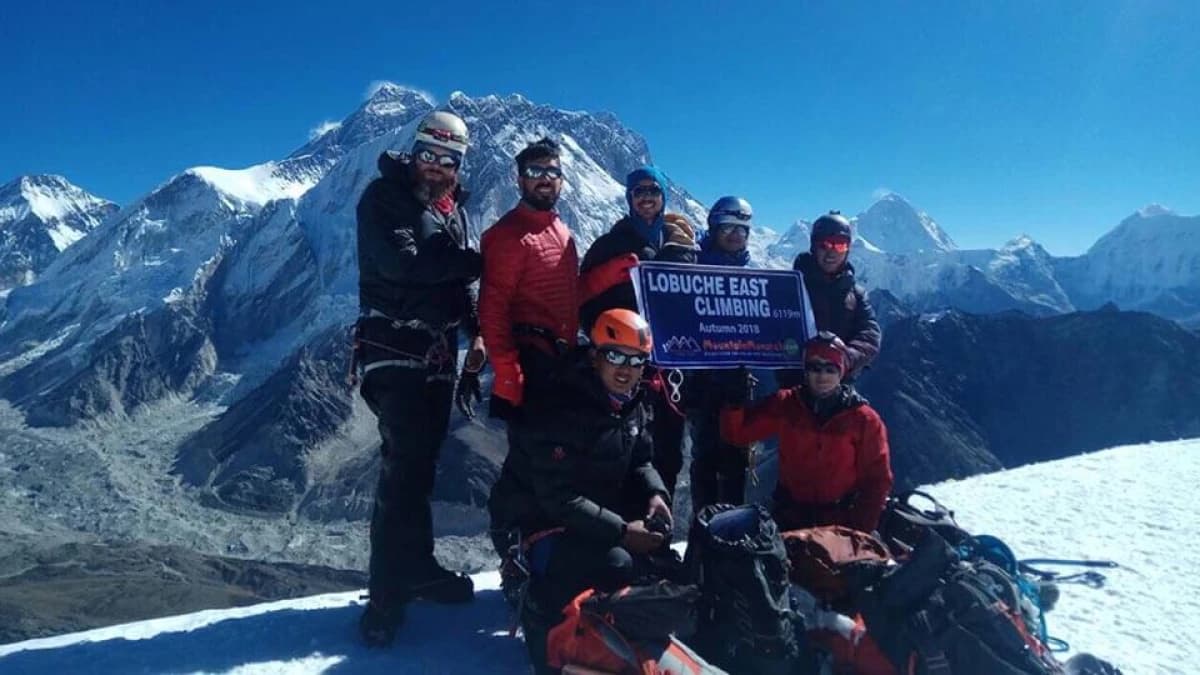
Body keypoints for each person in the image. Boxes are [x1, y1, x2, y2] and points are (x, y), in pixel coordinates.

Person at [353, 110, 485, 647]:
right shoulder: (383, 199)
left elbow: (458, 286)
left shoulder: (453, 212)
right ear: (415, 152)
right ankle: (385, 597)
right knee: (403, 468)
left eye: (447, 159)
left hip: (436, 355)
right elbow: (404, 265)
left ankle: (418, 568)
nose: (436, 166)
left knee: (421, 468)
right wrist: (481, 262)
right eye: (429, 154)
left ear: (458, 164)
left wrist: (477, 332)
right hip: (392, 347)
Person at [487, 309, 672, 672]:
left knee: (658, 567)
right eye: (615, 355)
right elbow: (556, 498)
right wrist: (622, 532)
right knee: (616, 564)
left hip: (586, 516)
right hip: (534, 522)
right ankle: (541, 612)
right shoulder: (559, 407)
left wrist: (656, 495)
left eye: (636, 360)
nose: (626, 369)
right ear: (594, 355)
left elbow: (641, 461)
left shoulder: (629, 405)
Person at [578, 166, 698, 497]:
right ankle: (621, 521)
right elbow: (581, 300)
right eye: (639, 191)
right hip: (622, 366)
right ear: (629, 197)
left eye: (653, 191)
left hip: (670, 371)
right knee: (623, 448)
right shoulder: (608, 246)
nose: (647, 198)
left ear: (664, 196)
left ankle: (660, 517)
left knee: (668, 451)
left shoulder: (682, 249)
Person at [720, 333, 893, 533]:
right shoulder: (786, 405)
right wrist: (734, 403)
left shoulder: (864, 420)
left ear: (842, 372)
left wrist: (860, 531)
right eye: (815, 368)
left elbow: (877, 480)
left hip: (839, 525)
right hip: (789, 518)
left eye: (830, 369)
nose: (822, 376)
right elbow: (738, 434)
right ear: (806, 370)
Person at [475, 137, 578, 424]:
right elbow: (492, 308)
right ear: (519, 180)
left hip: (561, 362)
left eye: (553, 172)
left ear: (562, 180)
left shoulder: (561, 230)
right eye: (535, 171)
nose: (545, 179)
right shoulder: (508, 234)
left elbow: (574, 291)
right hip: (531, 365)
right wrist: (508, 372)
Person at [686, 196, 756, 513]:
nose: (736, 235)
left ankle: (734, 533)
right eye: (728, 227)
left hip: (736, 383)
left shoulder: (753, 275)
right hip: (701, 381)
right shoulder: (691, 265)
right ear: (714, 228)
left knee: (736, 460)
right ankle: (703, 531)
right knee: (704, 461)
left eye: (742, 229)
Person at [780, 211, 881, 387]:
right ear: (813, 247)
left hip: (839, 386)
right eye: (824, 245)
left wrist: (845, 357)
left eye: (839, 245)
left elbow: (869, 333)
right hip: (794, 386)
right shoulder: (788, 288)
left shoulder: (856, 294)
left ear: (848, 249)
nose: (831, 252)